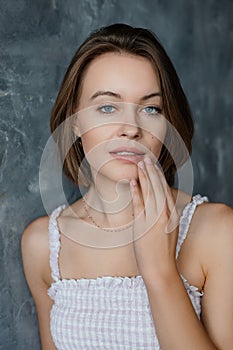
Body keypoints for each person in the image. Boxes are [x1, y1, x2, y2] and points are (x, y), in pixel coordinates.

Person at [21, 24, 233, 350]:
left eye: (151, 108)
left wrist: (160, 271)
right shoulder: (43, 245)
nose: (131, 129)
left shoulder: (218, 232)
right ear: (75, 121)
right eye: (107, 107)